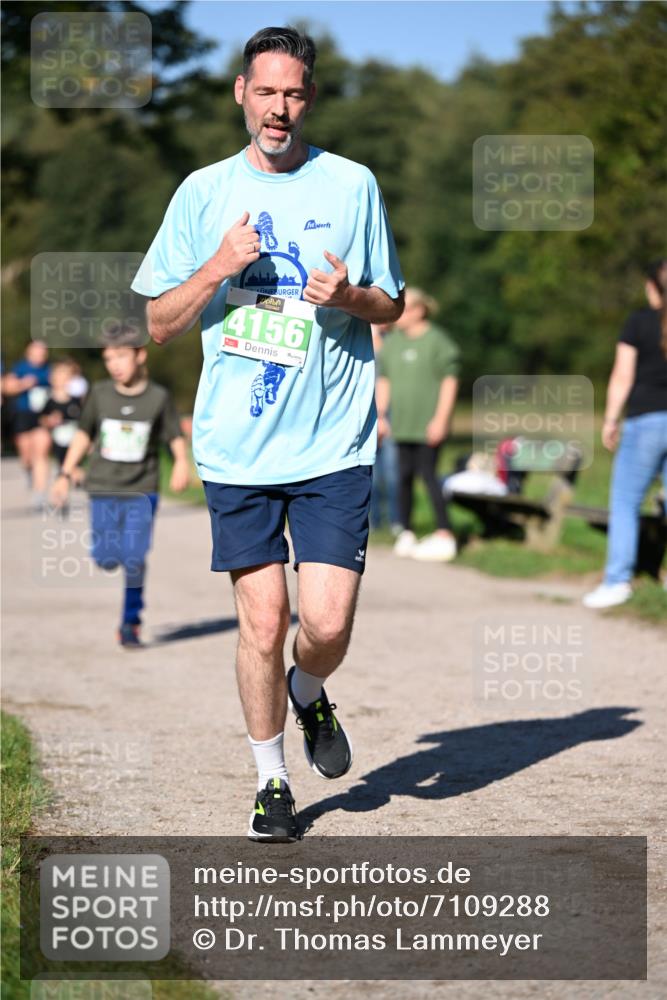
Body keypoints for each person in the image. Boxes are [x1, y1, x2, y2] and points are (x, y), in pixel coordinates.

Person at [131, 26, 404, 841]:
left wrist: (349, 297)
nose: (278, 108)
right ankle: (270, 782)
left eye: (293, 93)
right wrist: (216, 267)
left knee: (324, 625)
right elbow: (156, 324)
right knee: (260, 620)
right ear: (241, 95)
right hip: (237, 447)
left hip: (331, 442)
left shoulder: (352, 185)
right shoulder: (202, 191)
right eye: (265, 91)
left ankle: (309, 690)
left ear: (307, 99)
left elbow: (389, 302)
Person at [50, 329, 190, 646]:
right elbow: (84, 435)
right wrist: (64, 473)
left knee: (135, 556)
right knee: (106, 557)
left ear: (140, 354)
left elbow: (173, 435)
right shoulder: (99, 395)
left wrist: (181, 462)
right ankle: (108, 561)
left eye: (121, 356)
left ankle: (130, 621)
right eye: (108, 358)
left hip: (143, 488)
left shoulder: (158, 397)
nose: (114, 365)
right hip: (103, 486)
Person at [583, 259, 667, 608]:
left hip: (645, 421)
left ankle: (617, 580)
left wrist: (610, 420)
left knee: (625, 503)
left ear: (651, 287)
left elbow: (622, 377)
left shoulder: (639, 323)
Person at [376, 287, 459, 561]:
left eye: (406, 306)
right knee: (403, 478)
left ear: (420, 310)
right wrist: (380, 415)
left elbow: (450, 380)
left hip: (428, 426)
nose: (400, 311)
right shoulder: (394, 343)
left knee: (428, 475)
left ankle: (445, 531)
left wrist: (441, 419)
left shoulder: (437, 341)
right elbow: (384, 380)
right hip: (402, 424)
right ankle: (407, 531)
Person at [9, 340, 52, 510]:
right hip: (23, 413)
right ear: (29, 352)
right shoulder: (20, 368)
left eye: (44, 352)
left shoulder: (50, 369)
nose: (41, 355)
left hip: (42, 415)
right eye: (38, 351)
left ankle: (39, 493)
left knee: (41, 452)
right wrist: (22, 384)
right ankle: (28, 470)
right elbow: (7, 388)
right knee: (26, 453)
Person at [369, 322, 401, 534]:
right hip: (364, 412)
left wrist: (382, 415)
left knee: (391, 472)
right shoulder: (357, 337)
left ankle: (396, 521)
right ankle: (372, 522)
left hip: (389, 413)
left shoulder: (394, 342)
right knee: (369, 473)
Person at [40, 358, 85, 472]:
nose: (62, 378)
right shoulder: (49, 400)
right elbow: (42, 419)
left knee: (75, 465)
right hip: (58, 440)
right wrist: (50, 420)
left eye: (66, 375)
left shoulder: (76, 400)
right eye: (59, 375)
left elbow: (84, 419)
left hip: (74, 440)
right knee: (62, 465)